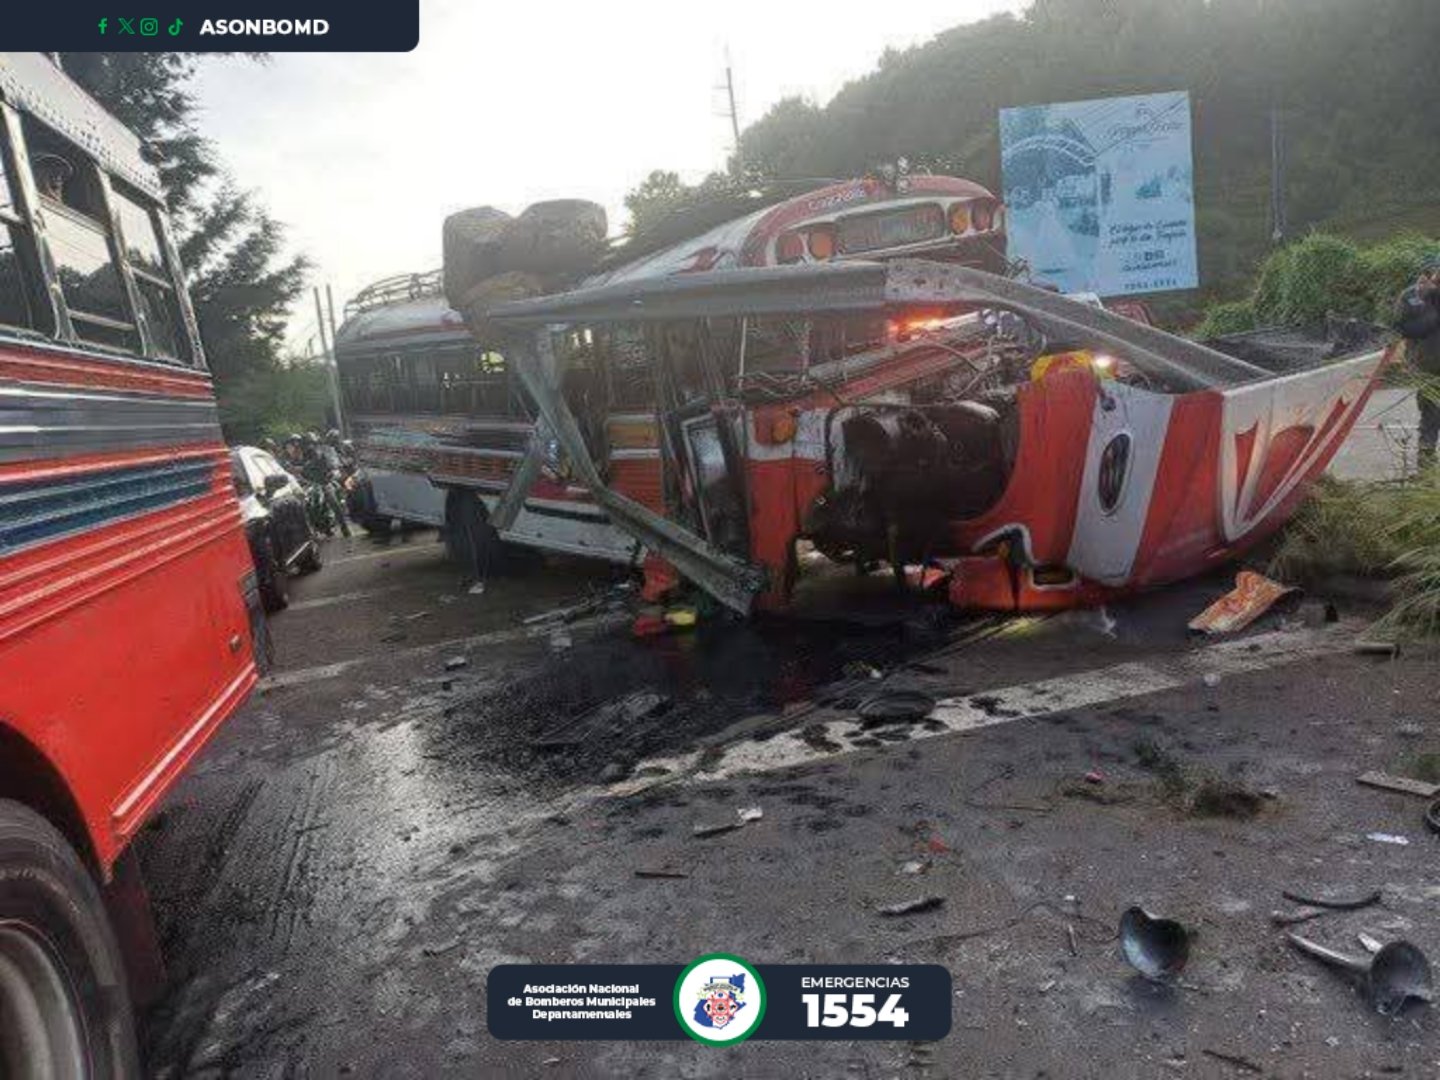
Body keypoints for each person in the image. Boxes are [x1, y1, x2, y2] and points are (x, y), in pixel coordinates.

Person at [1394, 257, 1440, 469]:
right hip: (1426, 363)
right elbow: (1404, 328)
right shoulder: (1412, 295)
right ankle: (1426, 456)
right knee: (1430, 410)